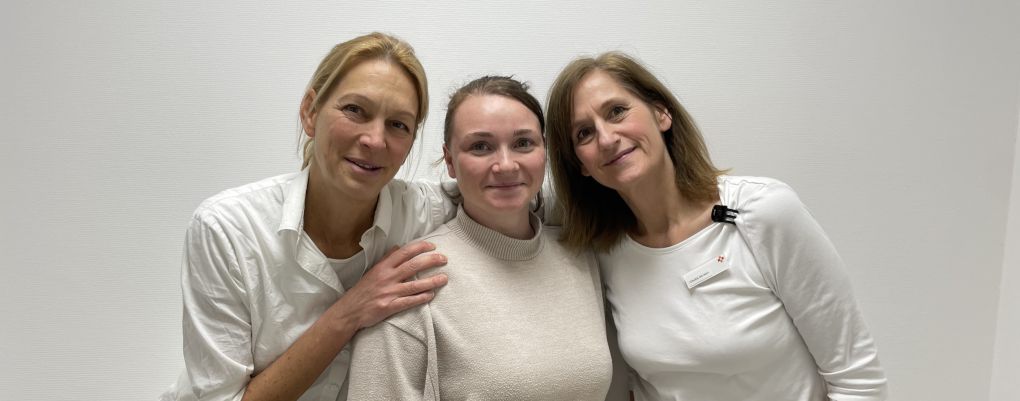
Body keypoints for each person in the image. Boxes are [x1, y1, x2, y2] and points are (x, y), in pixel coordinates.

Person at [544, 52, 889, 401]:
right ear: (580, 164)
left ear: (661, 114)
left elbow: (859, 382)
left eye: (617, 111)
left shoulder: (762, 212)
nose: (606, 138)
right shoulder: (606, 251)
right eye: (583, 134)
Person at [160, 32, 457, 401]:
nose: (375, 140)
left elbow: (516, 191)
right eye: (355, 110)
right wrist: (351, 311)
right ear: (310, 112)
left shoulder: (423, 210)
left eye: (398, 124)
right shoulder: (227, 229)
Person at [347, 76, 614, 400]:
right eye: (480, 147)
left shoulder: (577, 255)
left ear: (545, 150)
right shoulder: (411, 280)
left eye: (523, 143)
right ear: (450, 162)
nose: (505, 165)